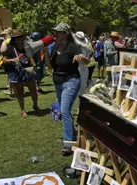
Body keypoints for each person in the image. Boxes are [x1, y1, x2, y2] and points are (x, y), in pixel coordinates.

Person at [48, 23, 88, 155]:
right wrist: (45, 56)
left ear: (65, 33)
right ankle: (72, 137)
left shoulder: (73, 47)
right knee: (65, 111)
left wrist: (80, 58)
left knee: (65, 111)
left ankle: (68, 143)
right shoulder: (55, 47)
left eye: (58, 32)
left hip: (71, 81)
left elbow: (85, 60)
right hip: (58, 81)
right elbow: (50, 66)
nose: (56, 34)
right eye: (55, 32)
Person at [3, 29, 39, 118]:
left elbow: (31, 56)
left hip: (28, 70)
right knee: (20, 92)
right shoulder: (10, 48)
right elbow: (4, 60)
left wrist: (33, 63)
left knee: (33, 89)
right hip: (15, 71)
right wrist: (12, 60)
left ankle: (35, 105)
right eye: (17, 38)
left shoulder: (27, 46)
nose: (19, 39)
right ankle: (23, 110)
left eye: (20, 37)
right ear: (14, 39)